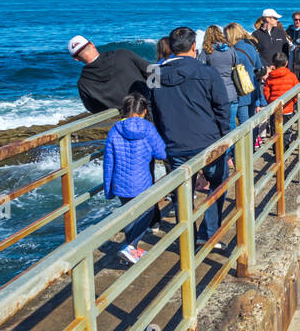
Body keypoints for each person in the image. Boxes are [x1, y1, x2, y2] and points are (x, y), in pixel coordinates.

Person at [149, 27, 230, 248]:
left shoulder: (154, 73)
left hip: (174, 143)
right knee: (218, 182)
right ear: (194, 46)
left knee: (183, 193)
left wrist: (162, 137)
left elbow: (152, 109)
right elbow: (222, 108)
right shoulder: (207, 72)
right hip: (208, 141)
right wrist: (225, 138)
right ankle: (209, 232)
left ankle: (188, 239)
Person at [102, 93, 166, 266]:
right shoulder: (148, 128)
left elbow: (109, 162)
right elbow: (161, 153)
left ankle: (131, 251)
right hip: (142, 182)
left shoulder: (114, 129)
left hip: (120, 183)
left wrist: (108, 190)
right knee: (148, 212)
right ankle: (130, 246)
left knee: (129, 215)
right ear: (144, 111)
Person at [70, 35, 150, 113]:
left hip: (123, 121)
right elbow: (152, 72)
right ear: (92, 44)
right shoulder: (123, 55)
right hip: (149, 110)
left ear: (76, 59)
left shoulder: (83, 83)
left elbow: (94, 110)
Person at [200, 25, 240, 129]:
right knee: (231, 124)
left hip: (214, 92)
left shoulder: (207, 51)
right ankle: (232, 145)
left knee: (217, 125)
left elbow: (200, 69)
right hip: (231, 91)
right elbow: (237, 65)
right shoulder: (230, 49)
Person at [225, 22, 264, 128]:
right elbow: (258, 65)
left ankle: (248, 144)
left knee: (244, 123)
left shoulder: (233, 51)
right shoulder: (250, 46)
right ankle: (253, 142)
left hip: (240, 90)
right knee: (252, 121)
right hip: (252, 87)